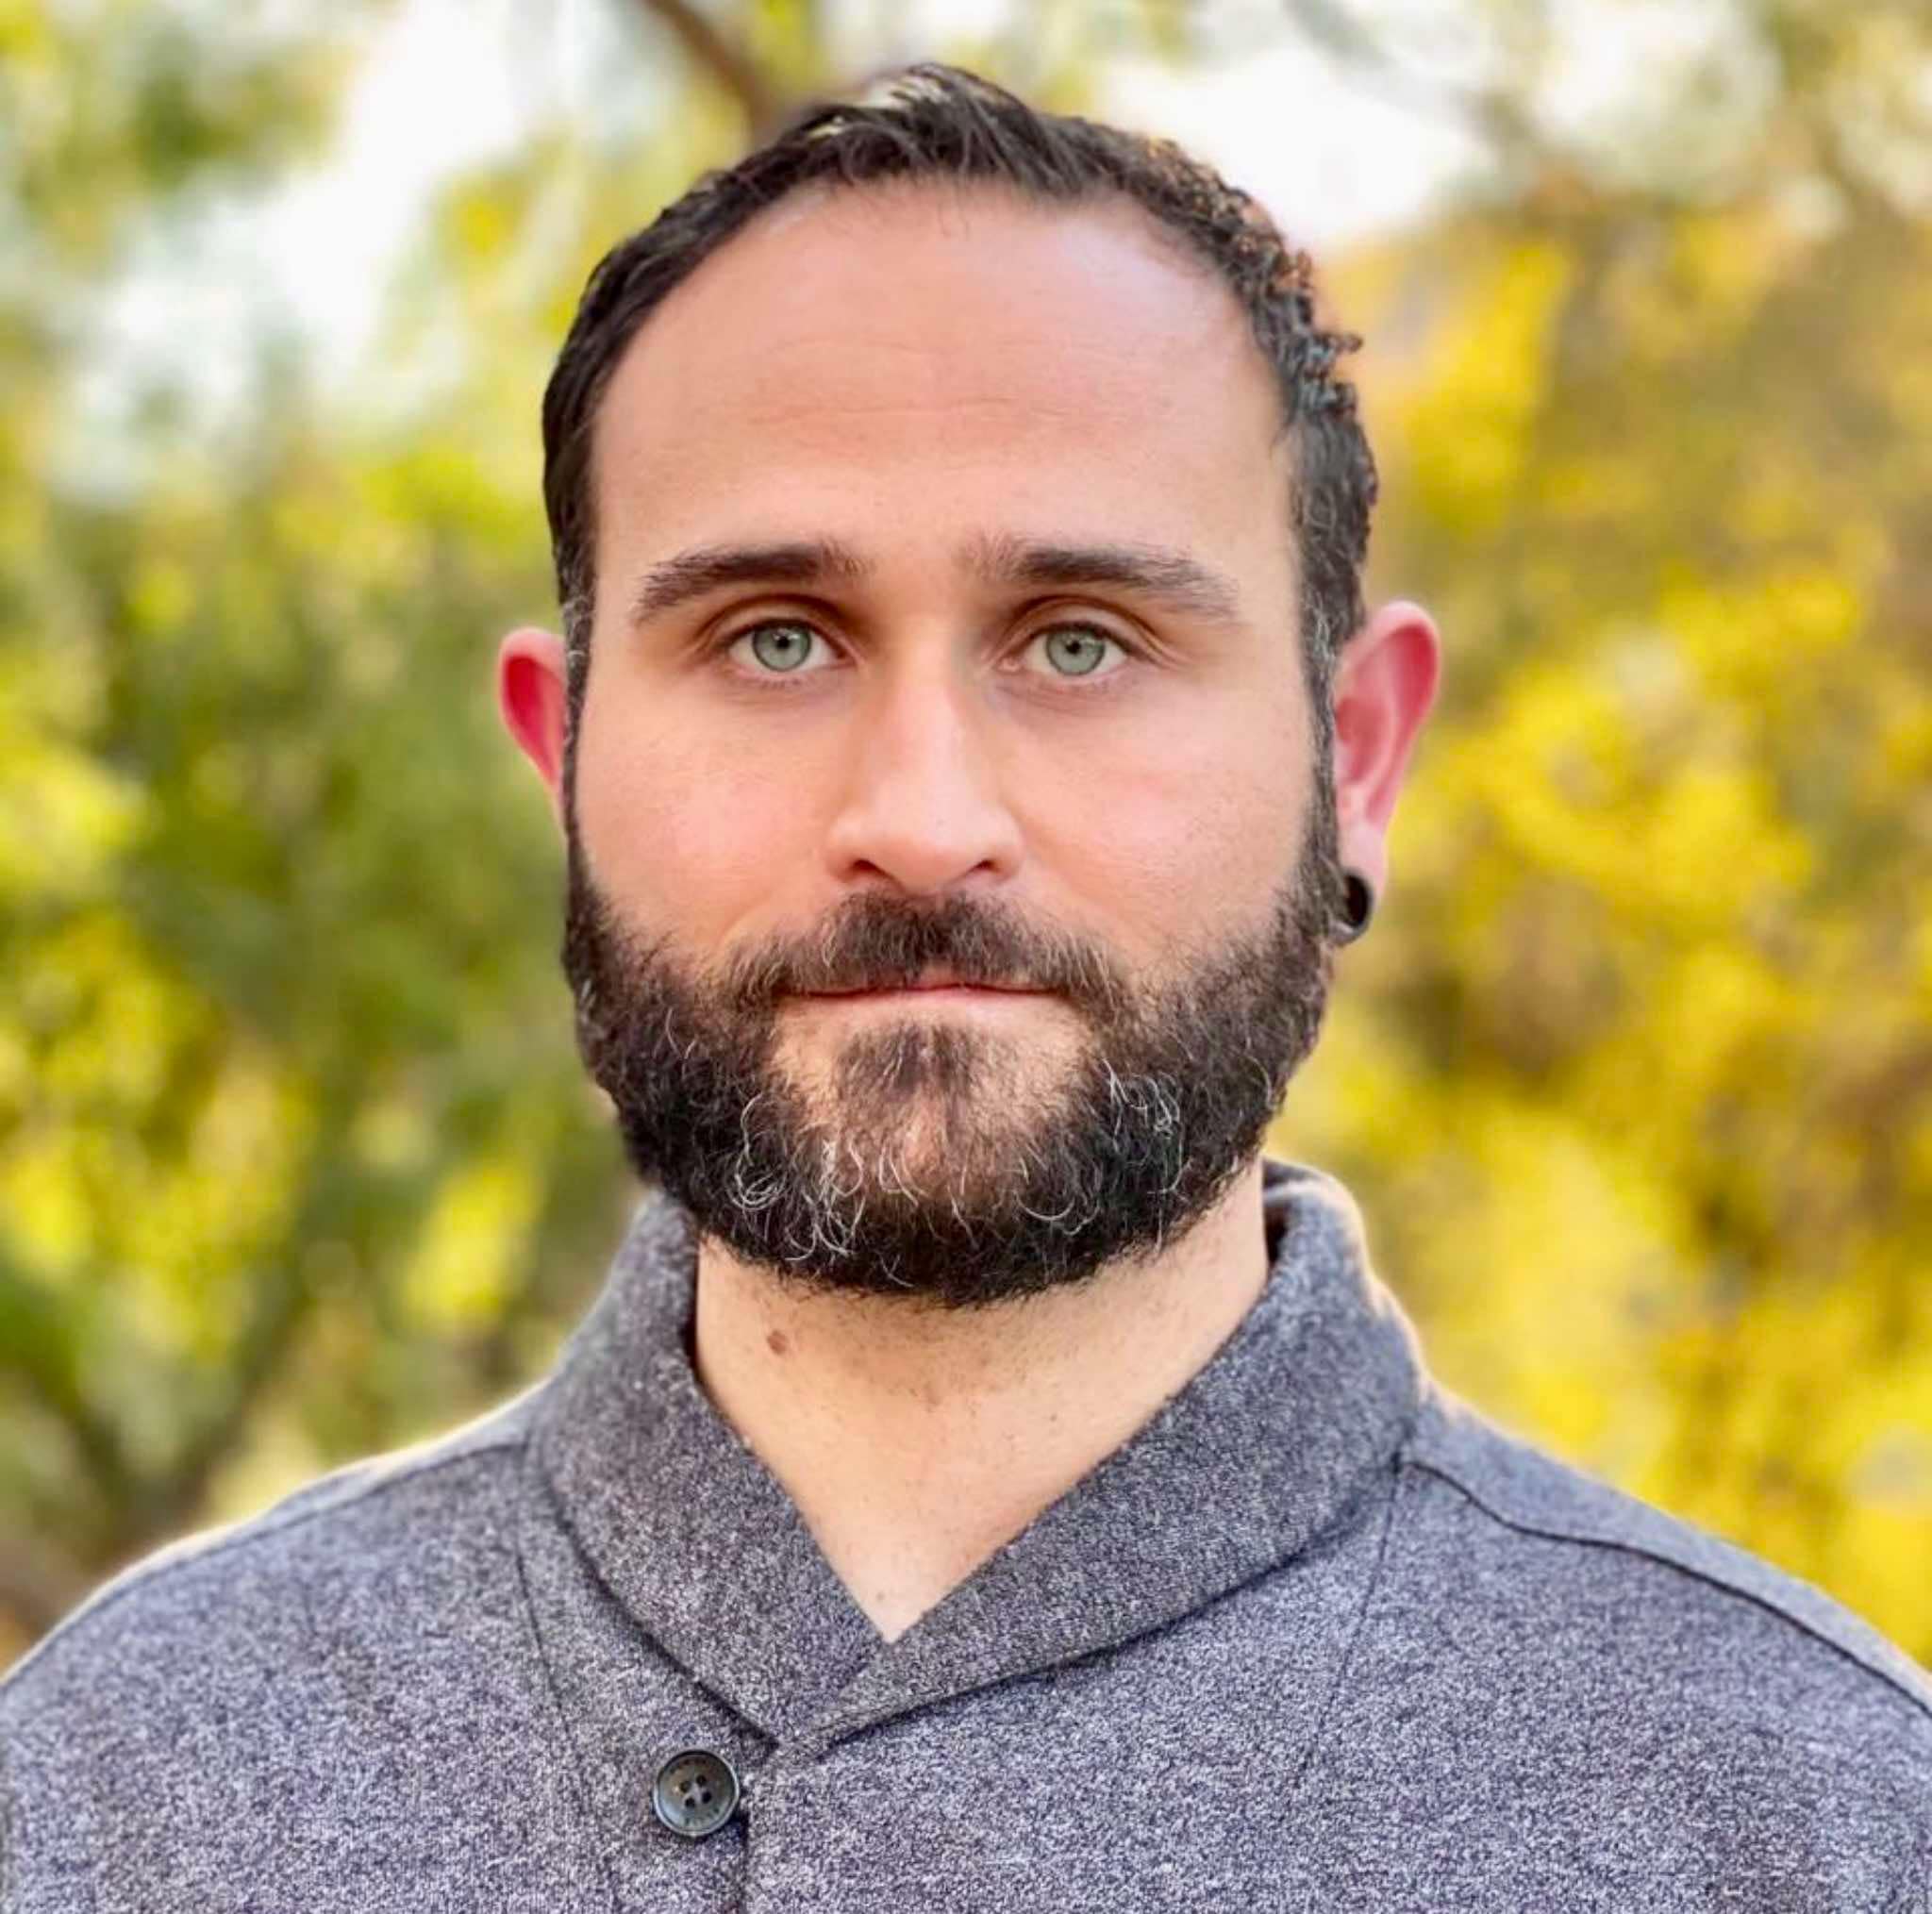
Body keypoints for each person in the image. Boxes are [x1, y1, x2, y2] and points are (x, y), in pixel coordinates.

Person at [3, 61, 1926, 1913]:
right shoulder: (110, 1797)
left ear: (1355, 757)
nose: (922, 826)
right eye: (775, 638)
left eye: (1080, 641)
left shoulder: (1820, 1828)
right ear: (561, 758)